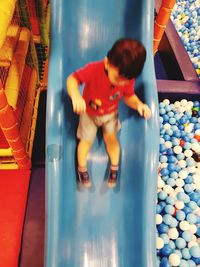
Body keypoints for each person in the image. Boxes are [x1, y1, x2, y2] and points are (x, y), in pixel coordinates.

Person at [66, 38, 151, 188]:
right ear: (107, 63)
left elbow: (129, 96)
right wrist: (75, 96)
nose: (122, 83)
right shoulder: (94, 70)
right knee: (86, 141)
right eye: (119, 78)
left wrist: (138, 105)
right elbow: (73, 79)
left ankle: (114, 167)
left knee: (111, 139)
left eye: (127, 80)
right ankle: (82, 169)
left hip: (110, 115)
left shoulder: (126, 78)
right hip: (89, 114)